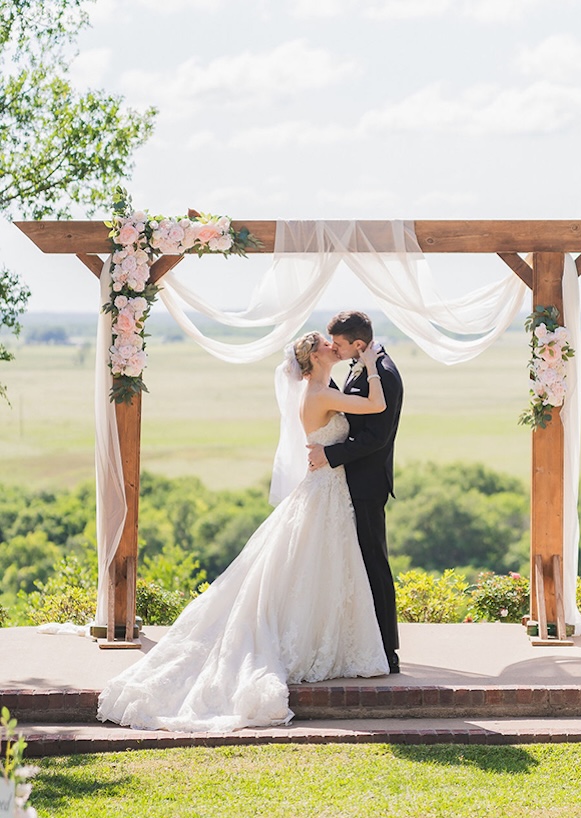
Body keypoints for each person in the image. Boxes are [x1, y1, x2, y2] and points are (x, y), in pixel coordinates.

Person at [97, 332, 390, 734]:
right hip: (324, 493)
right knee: (316, 567)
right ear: (315, 357)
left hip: (327, 492)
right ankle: (310, 645)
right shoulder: (319, 393)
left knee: (320, 569)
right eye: (326, 344)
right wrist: (372, 365)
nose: (332, 346)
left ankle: (328, 641)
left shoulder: (321, 388)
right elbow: (376, 405)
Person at [307, 311, 403, 674]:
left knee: (374, 563)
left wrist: (329, 454)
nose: (335, 348)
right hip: (347, 482)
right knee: (355, 565)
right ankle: (362, 643)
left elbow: (375, 437)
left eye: (340, 344)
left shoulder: (385, 375)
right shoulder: (361, 365)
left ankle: (387, 650)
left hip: (367, 483)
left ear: (358, 344)